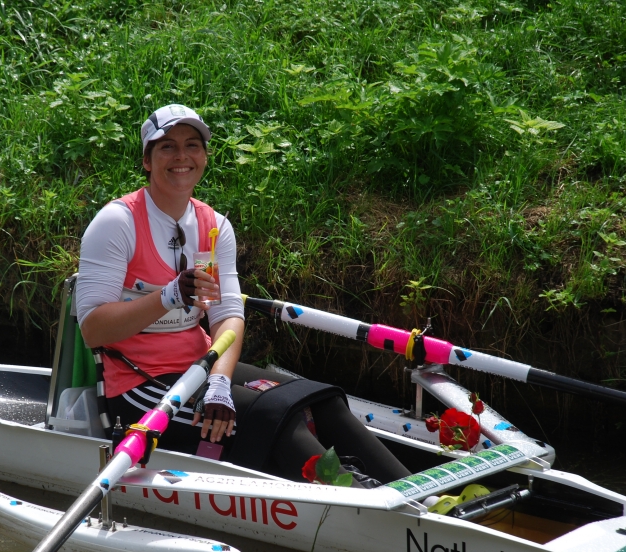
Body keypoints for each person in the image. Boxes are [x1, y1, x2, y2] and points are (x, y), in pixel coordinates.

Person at [77, 104, 410, 486]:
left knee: (322, 402)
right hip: (139, 386)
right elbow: (92, 330)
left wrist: (219, 381)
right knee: (274, 420)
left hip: (201, 367)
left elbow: (229, 316)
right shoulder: (116, 222)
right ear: (147, 161)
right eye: (166, 147)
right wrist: (167, 296)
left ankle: (423, 499)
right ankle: (365, 503)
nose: (182, 156)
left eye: (192, 145)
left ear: (205, 156)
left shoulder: (215, 226)